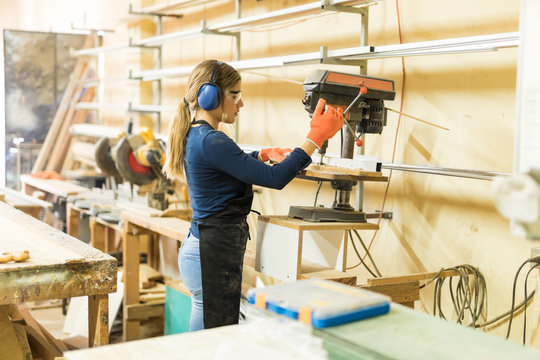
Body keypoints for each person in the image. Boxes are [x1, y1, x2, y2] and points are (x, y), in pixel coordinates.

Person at [163, 59, 343, 331]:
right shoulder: (213, 140)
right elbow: (276, 178)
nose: (240, 104)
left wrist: (260, 155)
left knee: (211, 334)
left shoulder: (198, 135)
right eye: (235, 95)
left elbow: (224, 167)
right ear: (211, 96)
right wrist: (315, 136)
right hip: (209, 252)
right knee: (212, 338)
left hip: (204, 247)